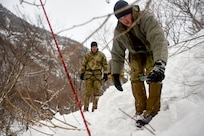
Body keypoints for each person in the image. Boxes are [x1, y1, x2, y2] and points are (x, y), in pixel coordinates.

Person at [111, 0, 168, 127]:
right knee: (135, 77)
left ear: (131, 11)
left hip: (151, 50)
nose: (124, 20)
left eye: (126, 16)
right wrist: (115, 74)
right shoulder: (119, 31)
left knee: (152, 74)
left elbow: (158, 39)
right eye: (121, 18)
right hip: (135, 53)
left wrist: (160, 63)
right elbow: (117, 53)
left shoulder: (146, 18)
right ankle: (140, 109)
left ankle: (151, 111)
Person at [80, 41, 108, 112]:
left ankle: (95, 109)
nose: (94, 48)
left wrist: (105, 74)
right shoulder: (88, 55)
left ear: (97, 47)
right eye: (93, 47)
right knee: (87, 93)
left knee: (96, 93)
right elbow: (84, 64)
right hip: (89, 75)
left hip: (97, 76)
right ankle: (85, 109)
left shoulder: (101, 55)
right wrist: (82, 73)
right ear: (91, 48)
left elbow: (105, 65)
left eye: (95, 47)